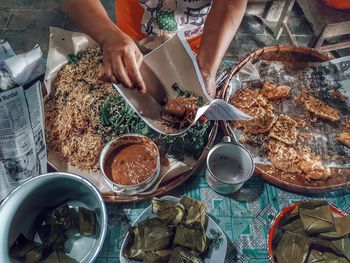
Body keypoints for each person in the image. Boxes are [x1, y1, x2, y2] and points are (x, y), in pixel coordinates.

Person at [62, 0, 247, 98]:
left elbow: (231, 3)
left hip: (198, 42)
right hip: (131, 39)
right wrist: (108, 35)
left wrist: (206, 67)